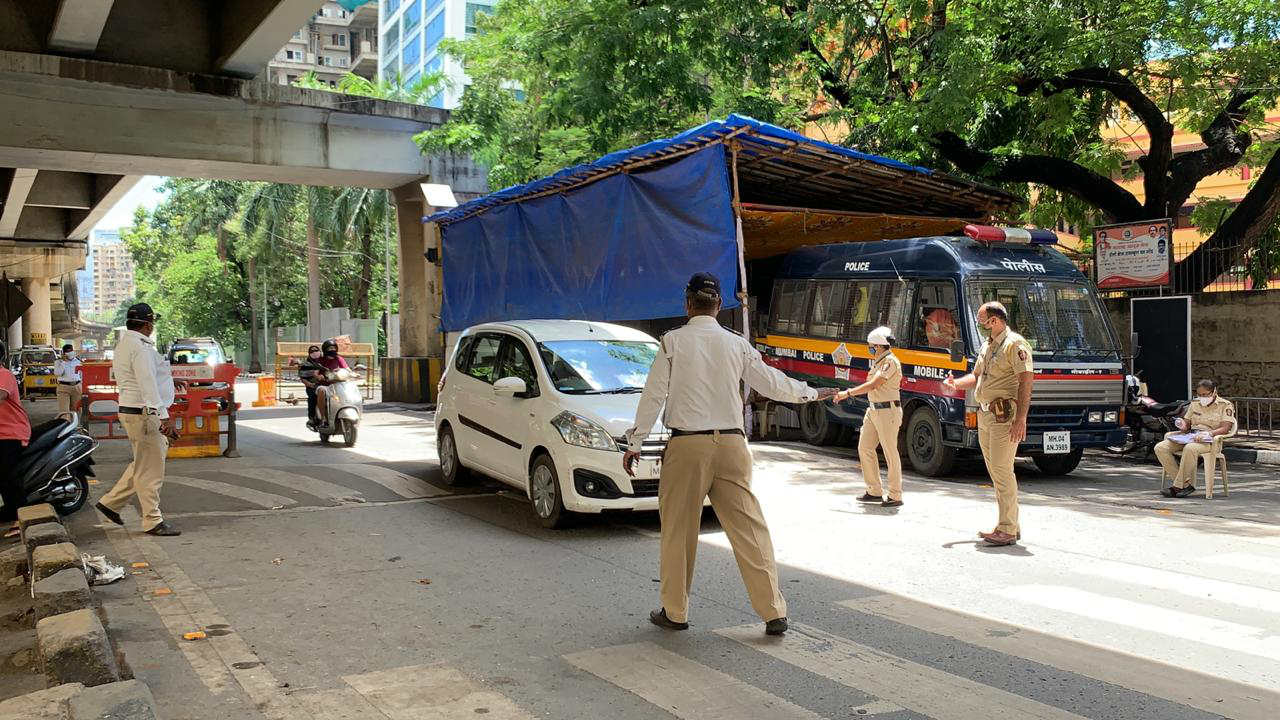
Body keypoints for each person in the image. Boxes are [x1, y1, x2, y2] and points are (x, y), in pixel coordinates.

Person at [623, 272, 837, 636]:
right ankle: (773, 611)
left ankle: (675, 612)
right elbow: (772, 383)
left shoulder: (672, 342)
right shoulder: (736, 344)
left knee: (678, 531)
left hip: (687, 445)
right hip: (732, 446)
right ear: (720, 305)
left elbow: (653, 395)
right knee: (749, 527)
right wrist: (811, 393)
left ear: (687, 304)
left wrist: (636, 442)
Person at [942, 301, 1034, 547]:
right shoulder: (988, 345)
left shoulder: (1015, 344)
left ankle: (1007, 528)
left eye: (982, 321)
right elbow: (976, 376)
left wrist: (1021, 418)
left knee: (1003, 471)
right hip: (985, 415)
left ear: (994, 321)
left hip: (1004, 416)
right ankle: (1009, 524)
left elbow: (1026, 381)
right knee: (996, 471)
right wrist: (956, 384)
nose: (980, 326)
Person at [95, 303, 183, 536]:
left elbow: (149, 379)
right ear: (147, 324)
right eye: (152, 323)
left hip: (134, 410)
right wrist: (164, 418)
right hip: (145, 413)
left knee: (143, 463)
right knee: (152, 470)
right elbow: (147, 384)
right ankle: (152, 520)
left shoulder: (125, 344)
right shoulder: (142, 348)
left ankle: (110, 503)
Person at [830, 326, 904, 507]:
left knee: (889, 452)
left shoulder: (890, 362)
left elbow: (874, 384)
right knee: (865, 447)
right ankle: (874, 490)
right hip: (873, 411)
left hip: (888, 411)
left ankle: (895, 495)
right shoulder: (879, 362)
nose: (870, 349)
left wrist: (847, 393)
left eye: (871, 346)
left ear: (879, 346)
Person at [1156, 379, 1235, 498]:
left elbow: (1226, 428)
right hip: (1191, 436)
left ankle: (1177, 486)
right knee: (1160, 447)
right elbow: (1187, 424)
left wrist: (1210, 434)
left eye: (1205, 395)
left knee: (1190, 448)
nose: (1202, 397)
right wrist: (1182, 425)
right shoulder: (1195, 403)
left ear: (1214, 392)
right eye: (1199, 395)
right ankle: (1185, 484)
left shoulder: (1225, 405)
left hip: (1210, 440)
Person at [0, 341, 31, 510]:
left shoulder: (4, 375)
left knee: (7, 475)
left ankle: (19, 515)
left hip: (11, 432)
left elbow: (1, 395)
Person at [312, 339, 349, 424]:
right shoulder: (320, 360)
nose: (332, 350)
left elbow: (347, 369)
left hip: (338, 384)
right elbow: (315, 373)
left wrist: (354, 374)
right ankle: (323, 417)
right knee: (321, 391)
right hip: (325, 385)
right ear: (325, 350)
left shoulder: (339, 359)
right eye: (330, 348)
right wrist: (318, 376)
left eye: (334, 348)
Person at [298, 345, 324, 428]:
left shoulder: (324, 362)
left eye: (316, 351)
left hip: (326, 385)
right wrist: (310, 384)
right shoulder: (305, 364)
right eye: (312, 352)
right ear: (309, 354)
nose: (315, 353)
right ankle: (312, 417)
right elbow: (303, 378)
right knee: (312, 398)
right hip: (313, 386)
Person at [53, 343, 83, 415]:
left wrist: (81, 384)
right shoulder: (58, 362)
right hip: (63, 387)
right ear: (64, 353)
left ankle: (76, 425)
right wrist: (64, 362)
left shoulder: (78, 362)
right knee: (64, 411)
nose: (70, 353)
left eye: (71, 351)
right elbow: (57, 373)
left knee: (77, 410)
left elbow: (82, 375)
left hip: (77, 387)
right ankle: (66, 424)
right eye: (67, 352)